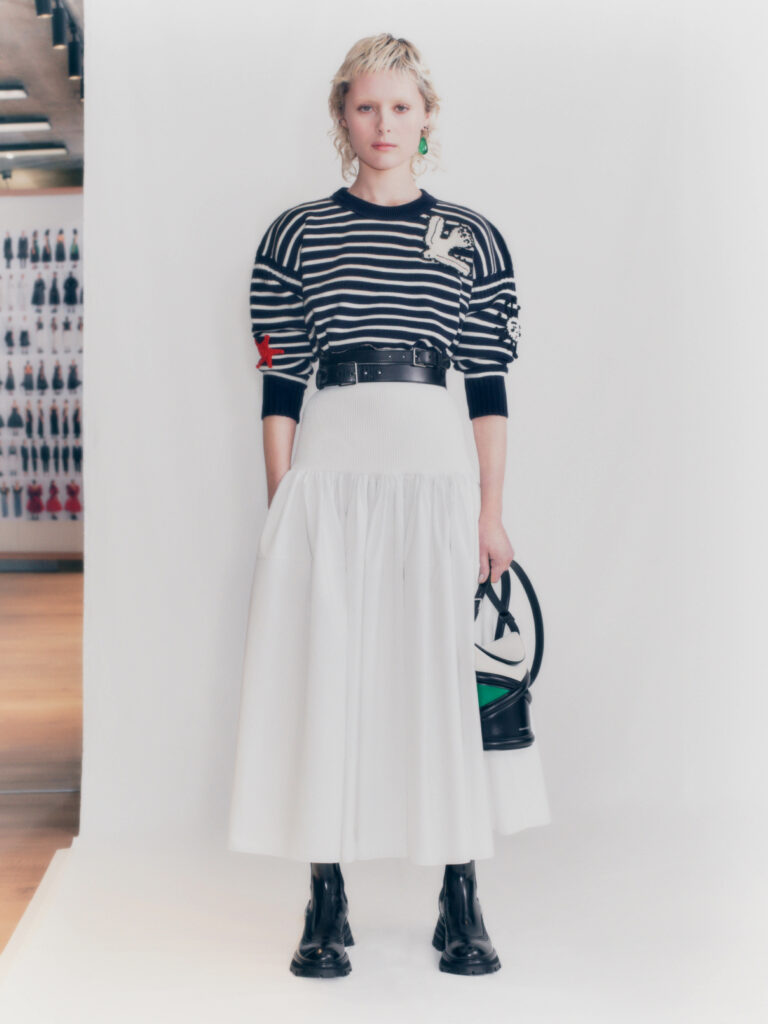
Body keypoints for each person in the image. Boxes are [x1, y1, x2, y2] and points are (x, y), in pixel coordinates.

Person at [227, 32, 550, 979]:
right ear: (342, 114)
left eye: (401, 107)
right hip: (331, 469)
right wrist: (282, 505)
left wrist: (491, 511)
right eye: (366, 106)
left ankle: (461, 893)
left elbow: (486, 386)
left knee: (441, 673)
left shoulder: (474, 239)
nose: (383, 124)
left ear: (426, 116)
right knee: (328, 671)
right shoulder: (294, 236)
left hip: (432, 466)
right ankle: (325, 895)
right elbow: (279, 382)